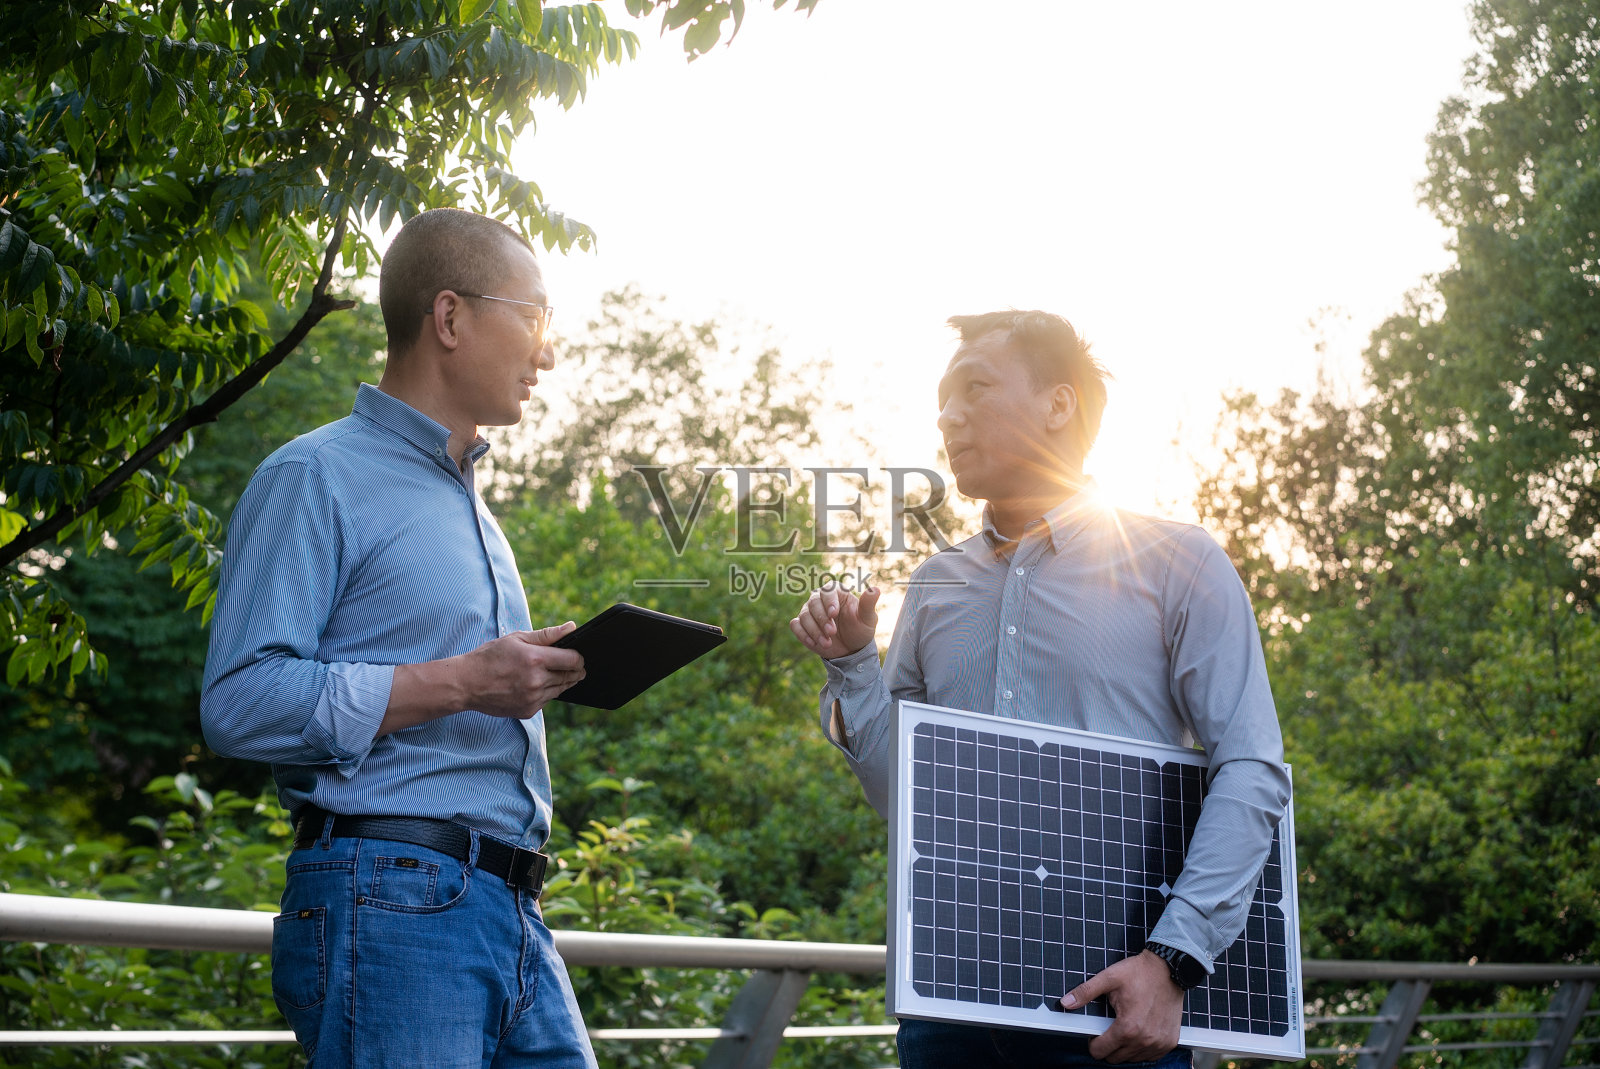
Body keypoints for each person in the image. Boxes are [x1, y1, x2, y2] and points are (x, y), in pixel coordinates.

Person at [790, 310, 1291, 1069]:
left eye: (974, 389)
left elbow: (1251, 766)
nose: (948, 416)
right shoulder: (934, 585)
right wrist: (855, 664)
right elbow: (907, 794)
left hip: (1116, 1010)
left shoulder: (1179, 563)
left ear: (1059, 405)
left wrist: (1173, 960)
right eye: (940, 402)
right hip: (948, 1011)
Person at [201, 208, 596, 1068]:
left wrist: (511, 675)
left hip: (515, 911)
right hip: (391, 899)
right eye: (534, 318)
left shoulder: (474, 506)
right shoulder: (314, 475)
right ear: (449, 318)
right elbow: (237, 701)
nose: (549, 352)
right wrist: (461, 681)